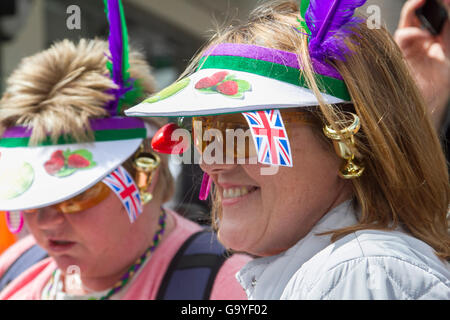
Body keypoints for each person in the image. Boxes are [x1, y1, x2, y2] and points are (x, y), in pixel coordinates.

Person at [126, 0, 450, 299]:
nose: (211, 162)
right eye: (204, 130)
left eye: (241, 128)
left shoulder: (359, 273)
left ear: (346, 138)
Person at [0, 0, 250, 300]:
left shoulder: (229, 287)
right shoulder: (16, 267)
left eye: (75, 195)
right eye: (33, 193)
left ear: (145, 175)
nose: (45, 221)